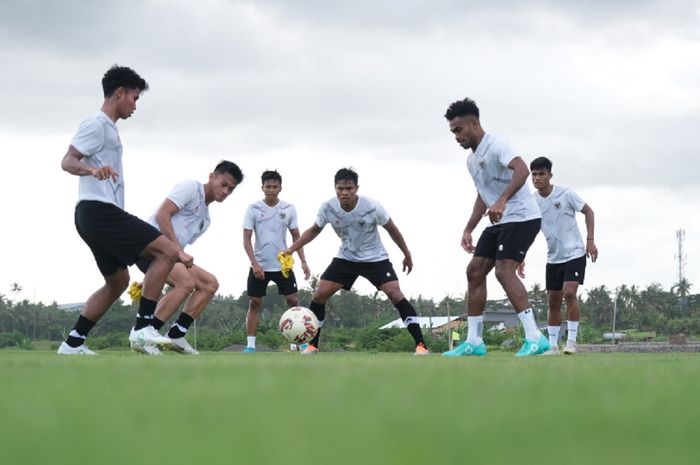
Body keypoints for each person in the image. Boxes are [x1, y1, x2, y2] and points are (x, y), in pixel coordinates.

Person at [58, 65, 182, 355]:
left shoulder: (109, 129)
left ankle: (73, 342)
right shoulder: (96, 123)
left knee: (118, 282)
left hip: (94, 215)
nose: (135, 105)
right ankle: (143, 328)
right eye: (135, 98)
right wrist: (91, 170)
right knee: (168, 251)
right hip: (98, 211)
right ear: (120, 93)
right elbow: (67, 160)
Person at [442, 97, 549, 357]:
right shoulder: (471, 161)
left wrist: (502, 200)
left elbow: (522, 170)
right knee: (475, 271)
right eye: (453, 132)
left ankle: (536, 338)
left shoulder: (496, 144)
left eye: (459, 130)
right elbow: (483, 195)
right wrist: (468, 228)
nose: (456, 137)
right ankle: (474, 342)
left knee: (504, 271)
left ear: (474, 124)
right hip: (500, 220)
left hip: (522, 216)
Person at [282, 168, 429, 356]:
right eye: (340, 188)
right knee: (319, 294)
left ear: (356, 188)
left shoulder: (372, 207)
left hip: (375, 258)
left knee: (395, 294)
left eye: (349, 188)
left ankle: (421, 345)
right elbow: (314, 230)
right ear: (335, 188)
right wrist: (291, 249)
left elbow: (392, 229)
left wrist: (406, 254)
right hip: (346, 258)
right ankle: (313, 346)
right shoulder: (327, 207)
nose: (344, 192)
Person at [133, 161, 244, 355]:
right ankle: (143, 334)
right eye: (224, 184)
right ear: (212, 177)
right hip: (149, 246)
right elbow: (162, 215)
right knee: (185, 283)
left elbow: (180, 247)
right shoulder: (191, 188)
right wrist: (177, 251)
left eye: (231, 189)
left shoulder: (206, 220)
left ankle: (177, 334)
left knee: (210, 283)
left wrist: (151, 277)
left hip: (169, 257)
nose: (226, 191)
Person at [526, 156, 598, 355]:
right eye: (534, 174)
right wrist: (521, 255)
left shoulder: (566, 194)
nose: (537, 178)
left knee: (569, 293)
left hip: (574, 252)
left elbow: (589, 212)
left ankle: (572, 343)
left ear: (550, 175)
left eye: (541, 174)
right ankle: (553, 346)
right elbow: (529, 229)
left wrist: (590, 241)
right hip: (553, 257)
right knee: (553, 300)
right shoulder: (532, 201)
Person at [242, 170, 310, 353]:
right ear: (262, 187)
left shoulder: (288, 209)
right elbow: (246, 239)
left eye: (275, 187)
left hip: (283, 264)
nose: (271, 190)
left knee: (292, 301)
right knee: (254, 302)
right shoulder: (253, 209)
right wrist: (255, 263)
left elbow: (297, 237)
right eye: (268, 186)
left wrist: (303, 260)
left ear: (280, 188)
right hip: (260, 265)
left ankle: (298, 341)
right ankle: (250, 346)